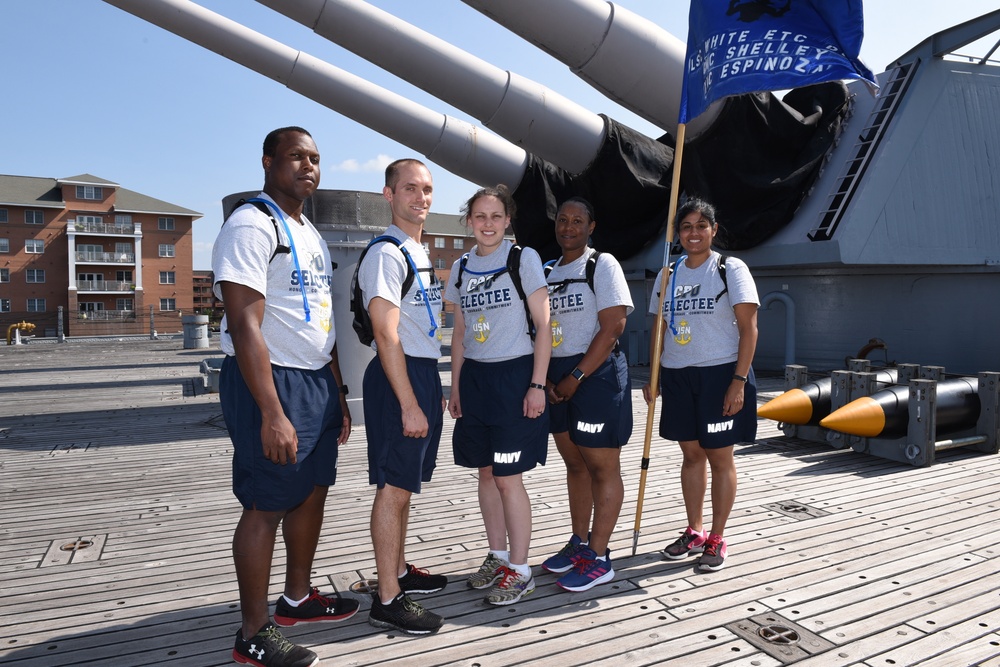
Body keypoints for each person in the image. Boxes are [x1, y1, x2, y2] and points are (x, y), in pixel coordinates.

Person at [214, 126, 358, 667]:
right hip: (270, 382)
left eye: (316, 158)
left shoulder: (309, 232)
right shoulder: (252, 224)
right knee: (265, 503)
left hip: (316, 380)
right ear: (269, 162)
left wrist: (338, 392)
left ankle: (297, 598)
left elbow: (322, 320)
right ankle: (253, 632)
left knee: (312, 489)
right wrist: (273, 411)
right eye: (296, 157)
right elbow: (245, 324)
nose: (308, 166)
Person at [444, 185, 551, 606]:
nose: (487, 224)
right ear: (469, 221)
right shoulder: (460, 267)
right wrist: (455, 386)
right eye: (479, 216)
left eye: (495, 216)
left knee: (508, 477)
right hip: (475, 380)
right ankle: (498, 555)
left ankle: (522, 570)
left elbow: (544, 324)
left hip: (515, 376)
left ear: (508, 220)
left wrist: (537, 384)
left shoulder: (521, 258)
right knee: (486, 472)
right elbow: (459, 333)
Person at [642, 197, 759, 572]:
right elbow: (658, 327)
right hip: (677, 374)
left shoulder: (729, 268)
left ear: (713, 230)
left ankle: (717, 537)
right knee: (691, 455)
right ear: (677, 234)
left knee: (720, 457)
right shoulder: (667, 274)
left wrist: (738, 381)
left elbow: (749, 328)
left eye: (700, 226)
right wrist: (654, 375)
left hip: (719, 373)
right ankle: (695, 530)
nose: (693, 233)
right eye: (686, 227)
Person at [358, 158, 448, 635]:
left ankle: (397, 570)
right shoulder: (387, 254)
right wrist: (410, 403)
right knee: (393, 487)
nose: (421, 197)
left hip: (420, 372)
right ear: (389, 195)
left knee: (405, 483)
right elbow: (386, 334)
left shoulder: (419, 250)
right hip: (400, 376)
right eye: (410, 188)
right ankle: (387, 599)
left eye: (428, 189)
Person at [540, 197, 634, 592]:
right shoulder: (544, 270)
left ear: (591, 226)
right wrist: (544, 377)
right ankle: (579, 542)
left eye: (578, 220)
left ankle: (599, 555)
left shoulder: (602, 264)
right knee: (575, 465)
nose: (568, 227)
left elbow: (613, 327)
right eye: (562, 220)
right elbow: (536, 328)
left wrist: (576, 376)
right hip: (556, 376)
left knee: (601, 467)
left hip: (593, 373)